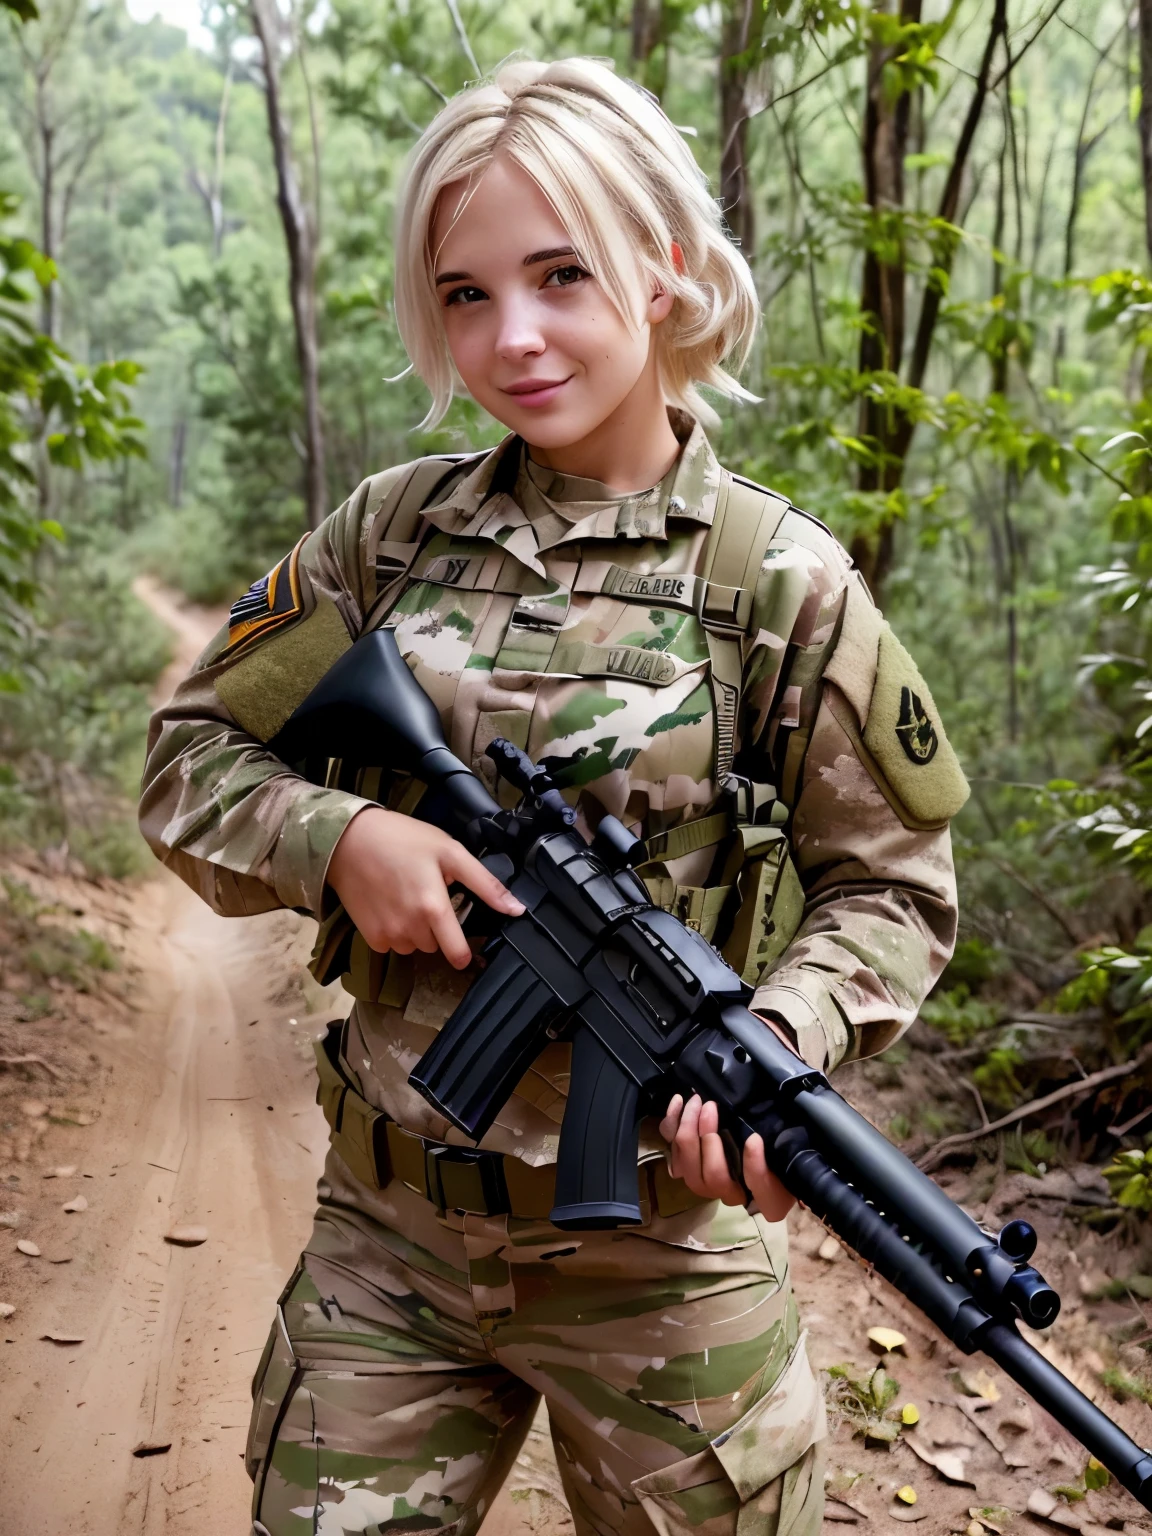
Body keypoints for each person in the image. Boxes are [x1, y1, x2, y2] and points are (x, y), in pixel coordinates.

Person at [139, 56, 966, 1536]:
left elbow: (895, 884)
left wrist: (789, 1033)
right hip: (387, 1246)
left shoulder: (773, 583)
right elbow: (188, 759)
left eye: (560, 274)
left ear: (661, 274)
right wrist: (341, 841)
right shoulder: (387, 537)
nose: (511, 336)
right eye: (464, 294)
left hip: (665, 1272)